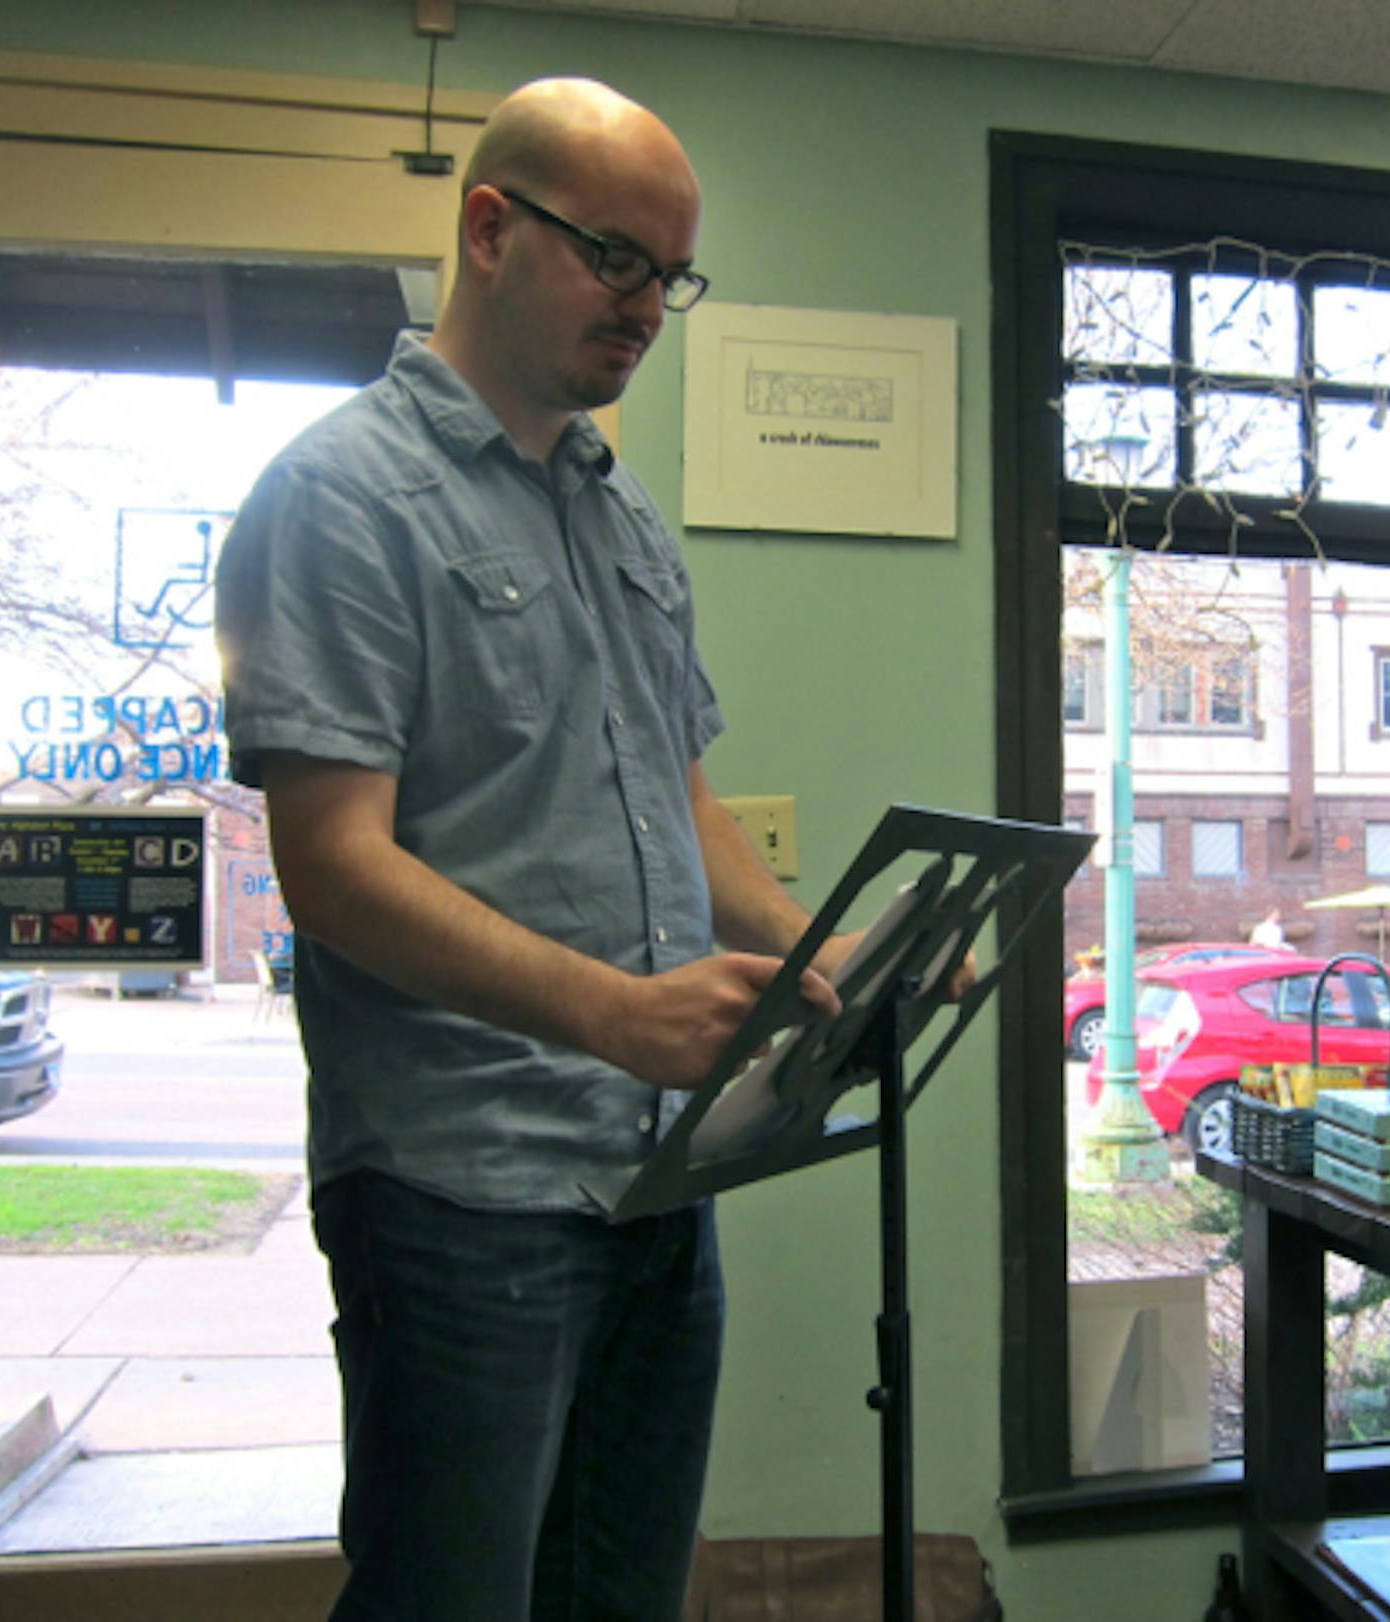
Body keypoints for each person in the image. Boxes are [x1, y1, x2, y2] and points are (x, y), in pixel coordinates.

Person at [214, 78, 869, 1620]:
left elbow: (681, 799)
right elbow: (331, 864)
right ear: (489, 230)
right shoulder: (336, 497)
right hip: (458, 1188)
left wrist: (812, 945)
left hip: (653, 1178)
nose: (648, 307)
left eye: (672, 276)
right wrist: (613, 1012)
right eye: (616, 258)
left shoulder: (622, 516)